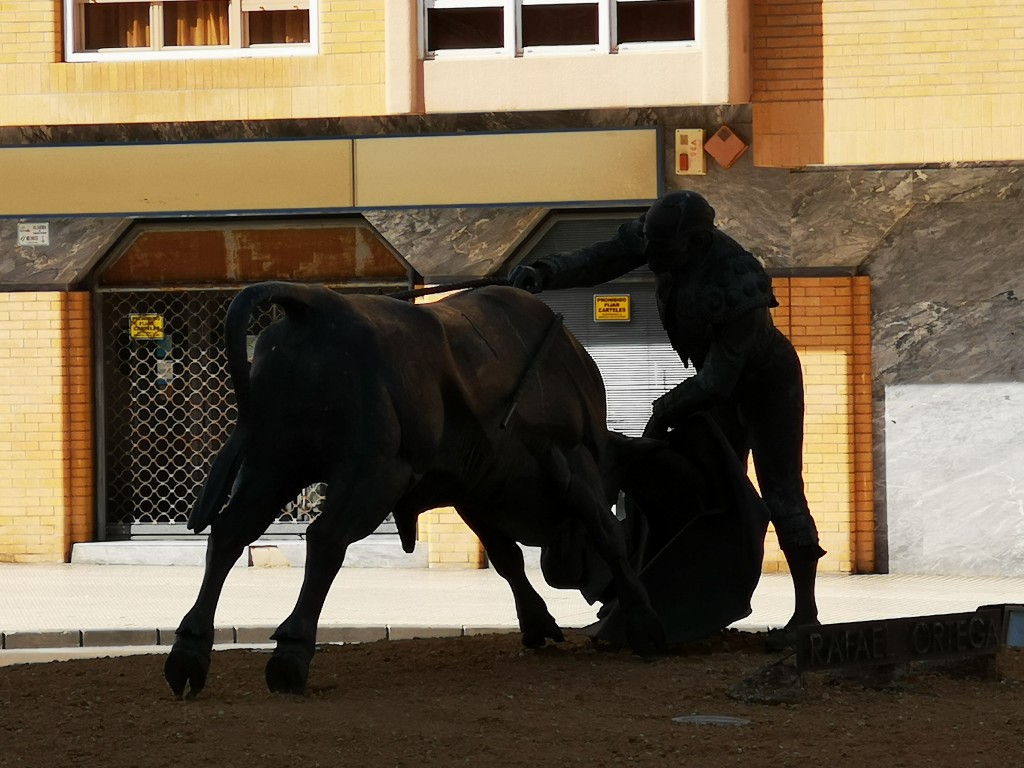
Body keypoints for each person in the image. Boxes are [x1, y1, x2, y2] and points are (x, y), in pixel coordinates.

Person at [510, 190, 824, 641]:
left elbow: (719, 379)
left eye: (663, 250)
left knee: (782, 492)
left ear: (696, 242)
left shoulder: (738, 278)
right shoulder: (659, 236)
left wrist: (661, 415)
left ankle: (806, 615)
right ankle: (693, 604)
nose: (651, 256)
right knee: (705, 495)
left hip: (764, 385)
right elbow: (602, 259)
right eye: (650, 246)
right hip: (712, 385)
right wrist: (545, 272)